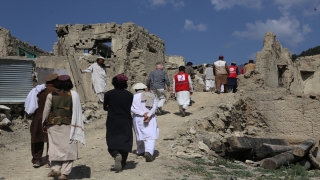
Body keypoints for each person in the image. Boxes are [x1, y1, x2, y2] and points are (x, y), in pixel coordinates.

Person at [42, 75, 85, 180]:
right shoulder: (74, 95)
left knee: (55, 147)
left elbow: (46, 110)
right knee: (69, 149)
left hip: (54, 125)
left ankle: (56, 168)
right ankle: (64, 173)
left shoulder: (51, 95)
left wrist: (44, 123)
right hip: (70, 125)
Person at [104, 74, 134, 172]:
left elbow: (105, 107)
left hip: (113, 120)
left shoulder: (108, 94)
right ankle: (123, 162)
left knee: (112, 139)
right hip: (126, 120)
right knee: (125, 140)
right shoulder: (130, 95)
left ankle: (116, 154)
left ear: (114, 83)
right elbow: (130, 107)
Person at [30, 74, 58, 168]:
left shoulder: (37, 91)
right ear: (55, 82)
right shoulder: (57, 92)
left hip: (38, 118)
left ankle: (37, 160)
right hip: (51, 119)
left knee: (37, 139)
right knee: (51, 141)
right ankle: (49, 161)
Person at [131, 83, 159, 162]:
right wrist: (149, 114)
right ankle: (149, 152)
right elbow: (155, 106)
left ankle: (140, 151)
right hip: (150, 118)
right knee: (150, 136)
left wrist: (142, 113)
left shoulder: (133, 97)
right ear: (145, 89)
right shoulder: (151, 95)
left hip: (138, 118)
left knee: (139, 134)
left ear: (135, 90)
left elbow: (131, 108)